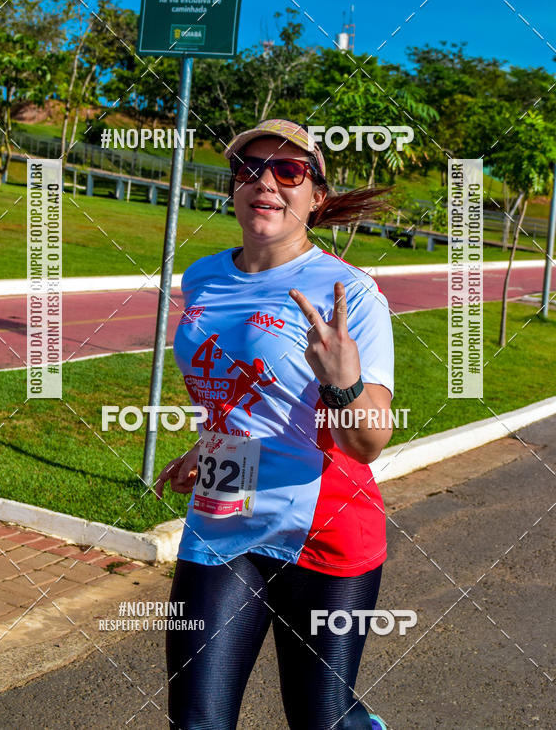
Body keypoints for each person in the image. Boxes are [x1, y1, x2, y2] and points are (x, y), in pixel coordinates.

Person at [155, 118, 395, 729]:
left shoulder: (351, 293)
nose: (265, 181)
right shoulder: (204, 276)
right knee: (197, 722)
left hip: (326, 529)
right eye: (248, 169)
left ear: (315, 195)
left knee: (319, 719)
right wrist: (209, 448)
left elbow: (366, 442)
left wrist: (341, 382)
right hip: (225, 510)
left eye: (288, 171)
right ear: (233, 189)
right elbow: (238, 395)